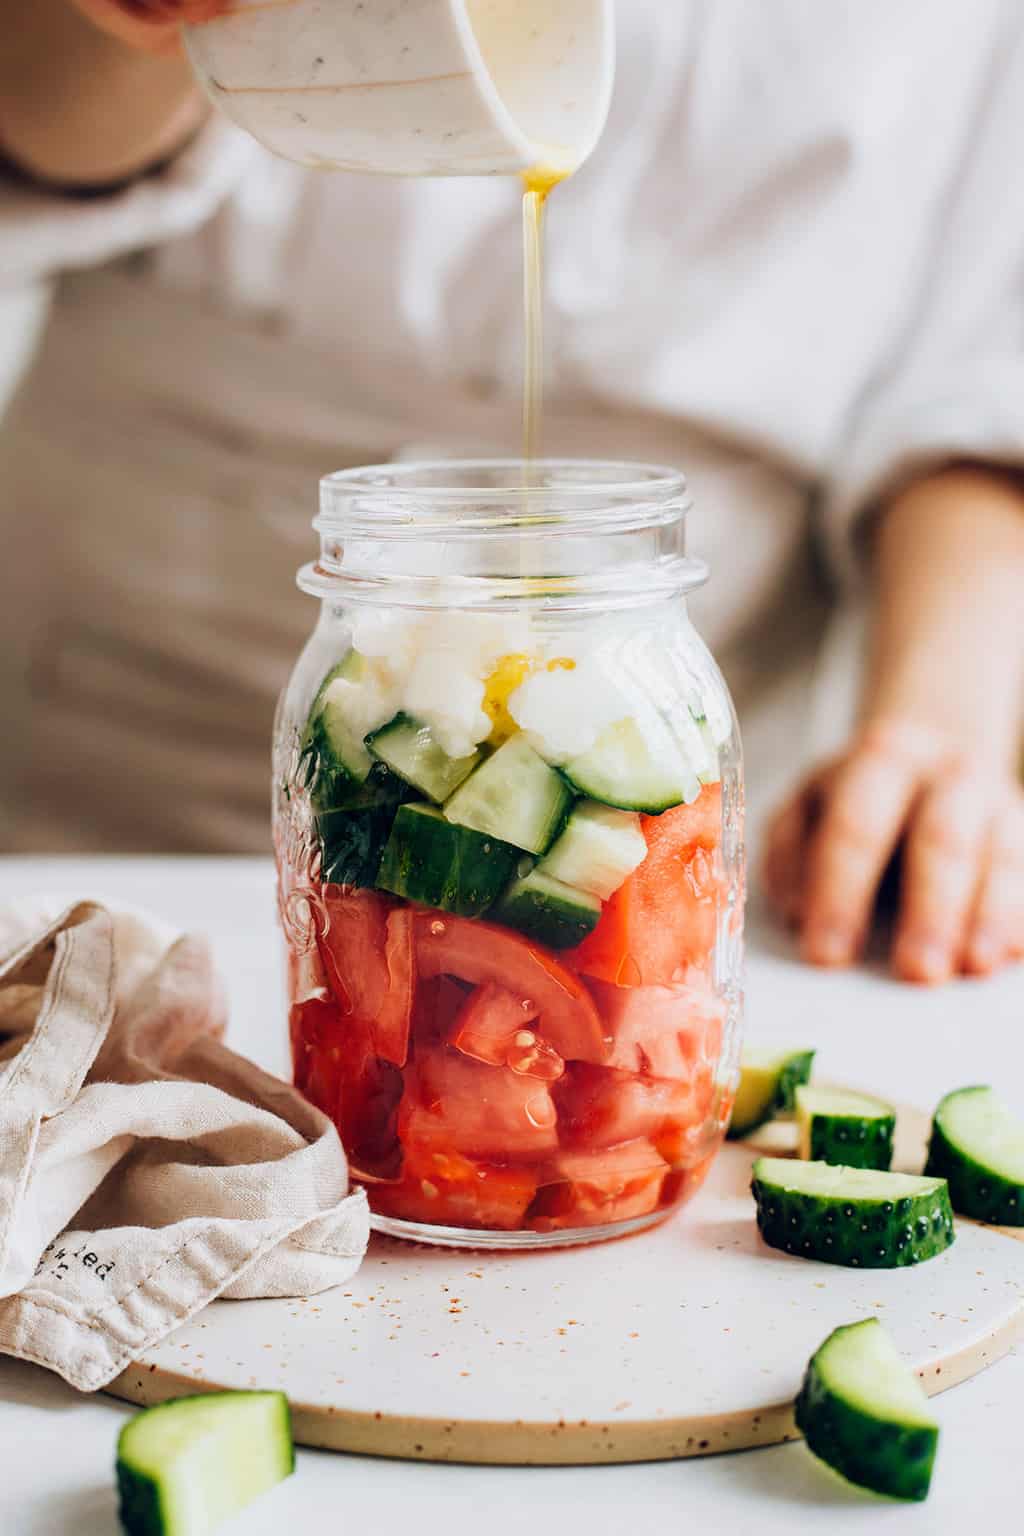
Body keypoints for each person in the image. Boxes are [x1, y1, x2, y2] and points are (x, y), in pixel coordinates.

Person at [1, 0, 1022, 986]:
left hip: (643, 723)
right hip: (111, 711)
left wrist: (938, 728)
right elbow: (40, 117)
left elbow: (982, 373)